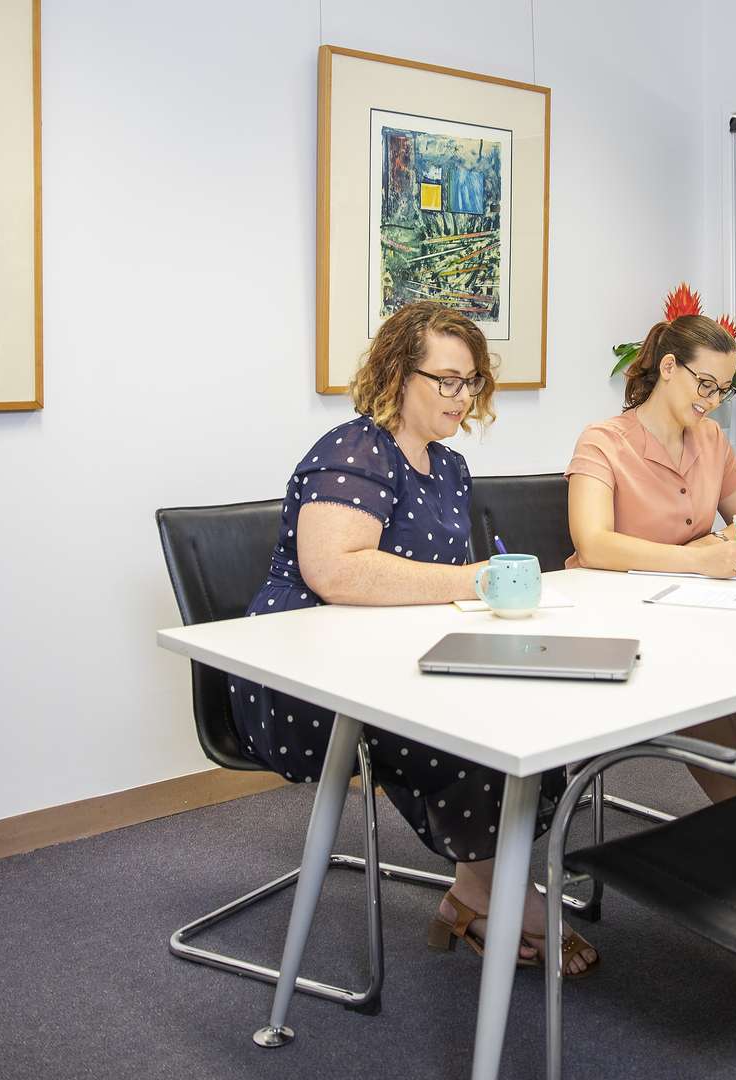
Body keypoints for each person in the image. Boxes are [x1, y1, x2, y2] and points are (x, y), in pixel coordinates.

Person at [231, 301, 597, 977]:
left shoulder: (449, 469)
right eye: (448, 380)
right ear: (399, 373)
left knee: (525, 703)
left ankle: (477, 886)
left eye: (472, 382)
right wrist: (467, 581)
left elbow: (431, 584)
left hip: (392, 654)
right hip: (301, 671)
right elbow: (334, 571)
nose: (463, 397)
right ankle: (496, 887)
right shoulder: (353, 449)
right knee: (472, 723)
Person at [564, 314, 736, 802]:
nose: (711, 400)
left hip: (687, 607)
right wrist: (696, 558)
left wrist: (719, 543)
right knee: (697, 676)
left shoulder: (710, 440)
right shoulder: (603, 442)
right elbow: (594, 544)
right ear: (668, 366)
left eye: (722, 389)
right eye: (704, 384)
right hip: (612, 620)